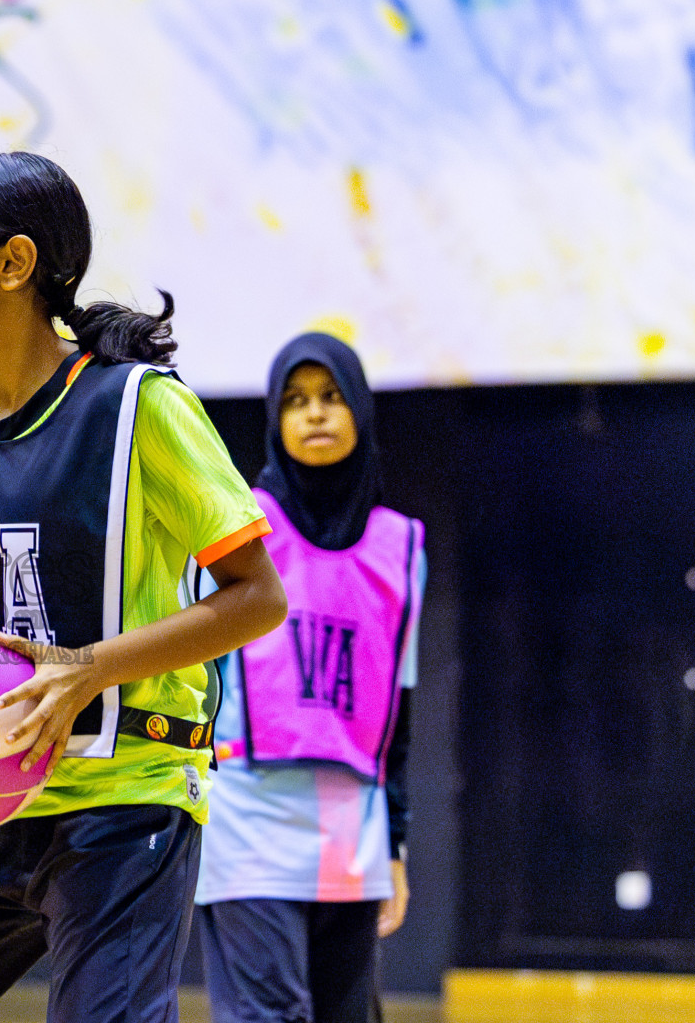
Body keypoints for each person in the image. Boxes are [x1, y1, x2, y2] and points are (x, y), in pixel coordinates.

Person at [0, 150, 289, 1023]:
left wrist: (88, 667)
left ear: (14, 264)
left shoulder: (137, 408)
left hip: (125, 797)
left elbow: (258, 596)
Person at [193, 332, 426, 1023]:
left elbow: (398, 719)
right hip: (247, 820)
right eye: (295, 401)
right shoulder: (239, 529)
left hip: (351, 829)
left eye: (330, 397)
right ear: (274, 420)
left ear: (359, 409)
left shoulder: (401, 545)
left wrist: (396, 846)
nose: (315, 414)